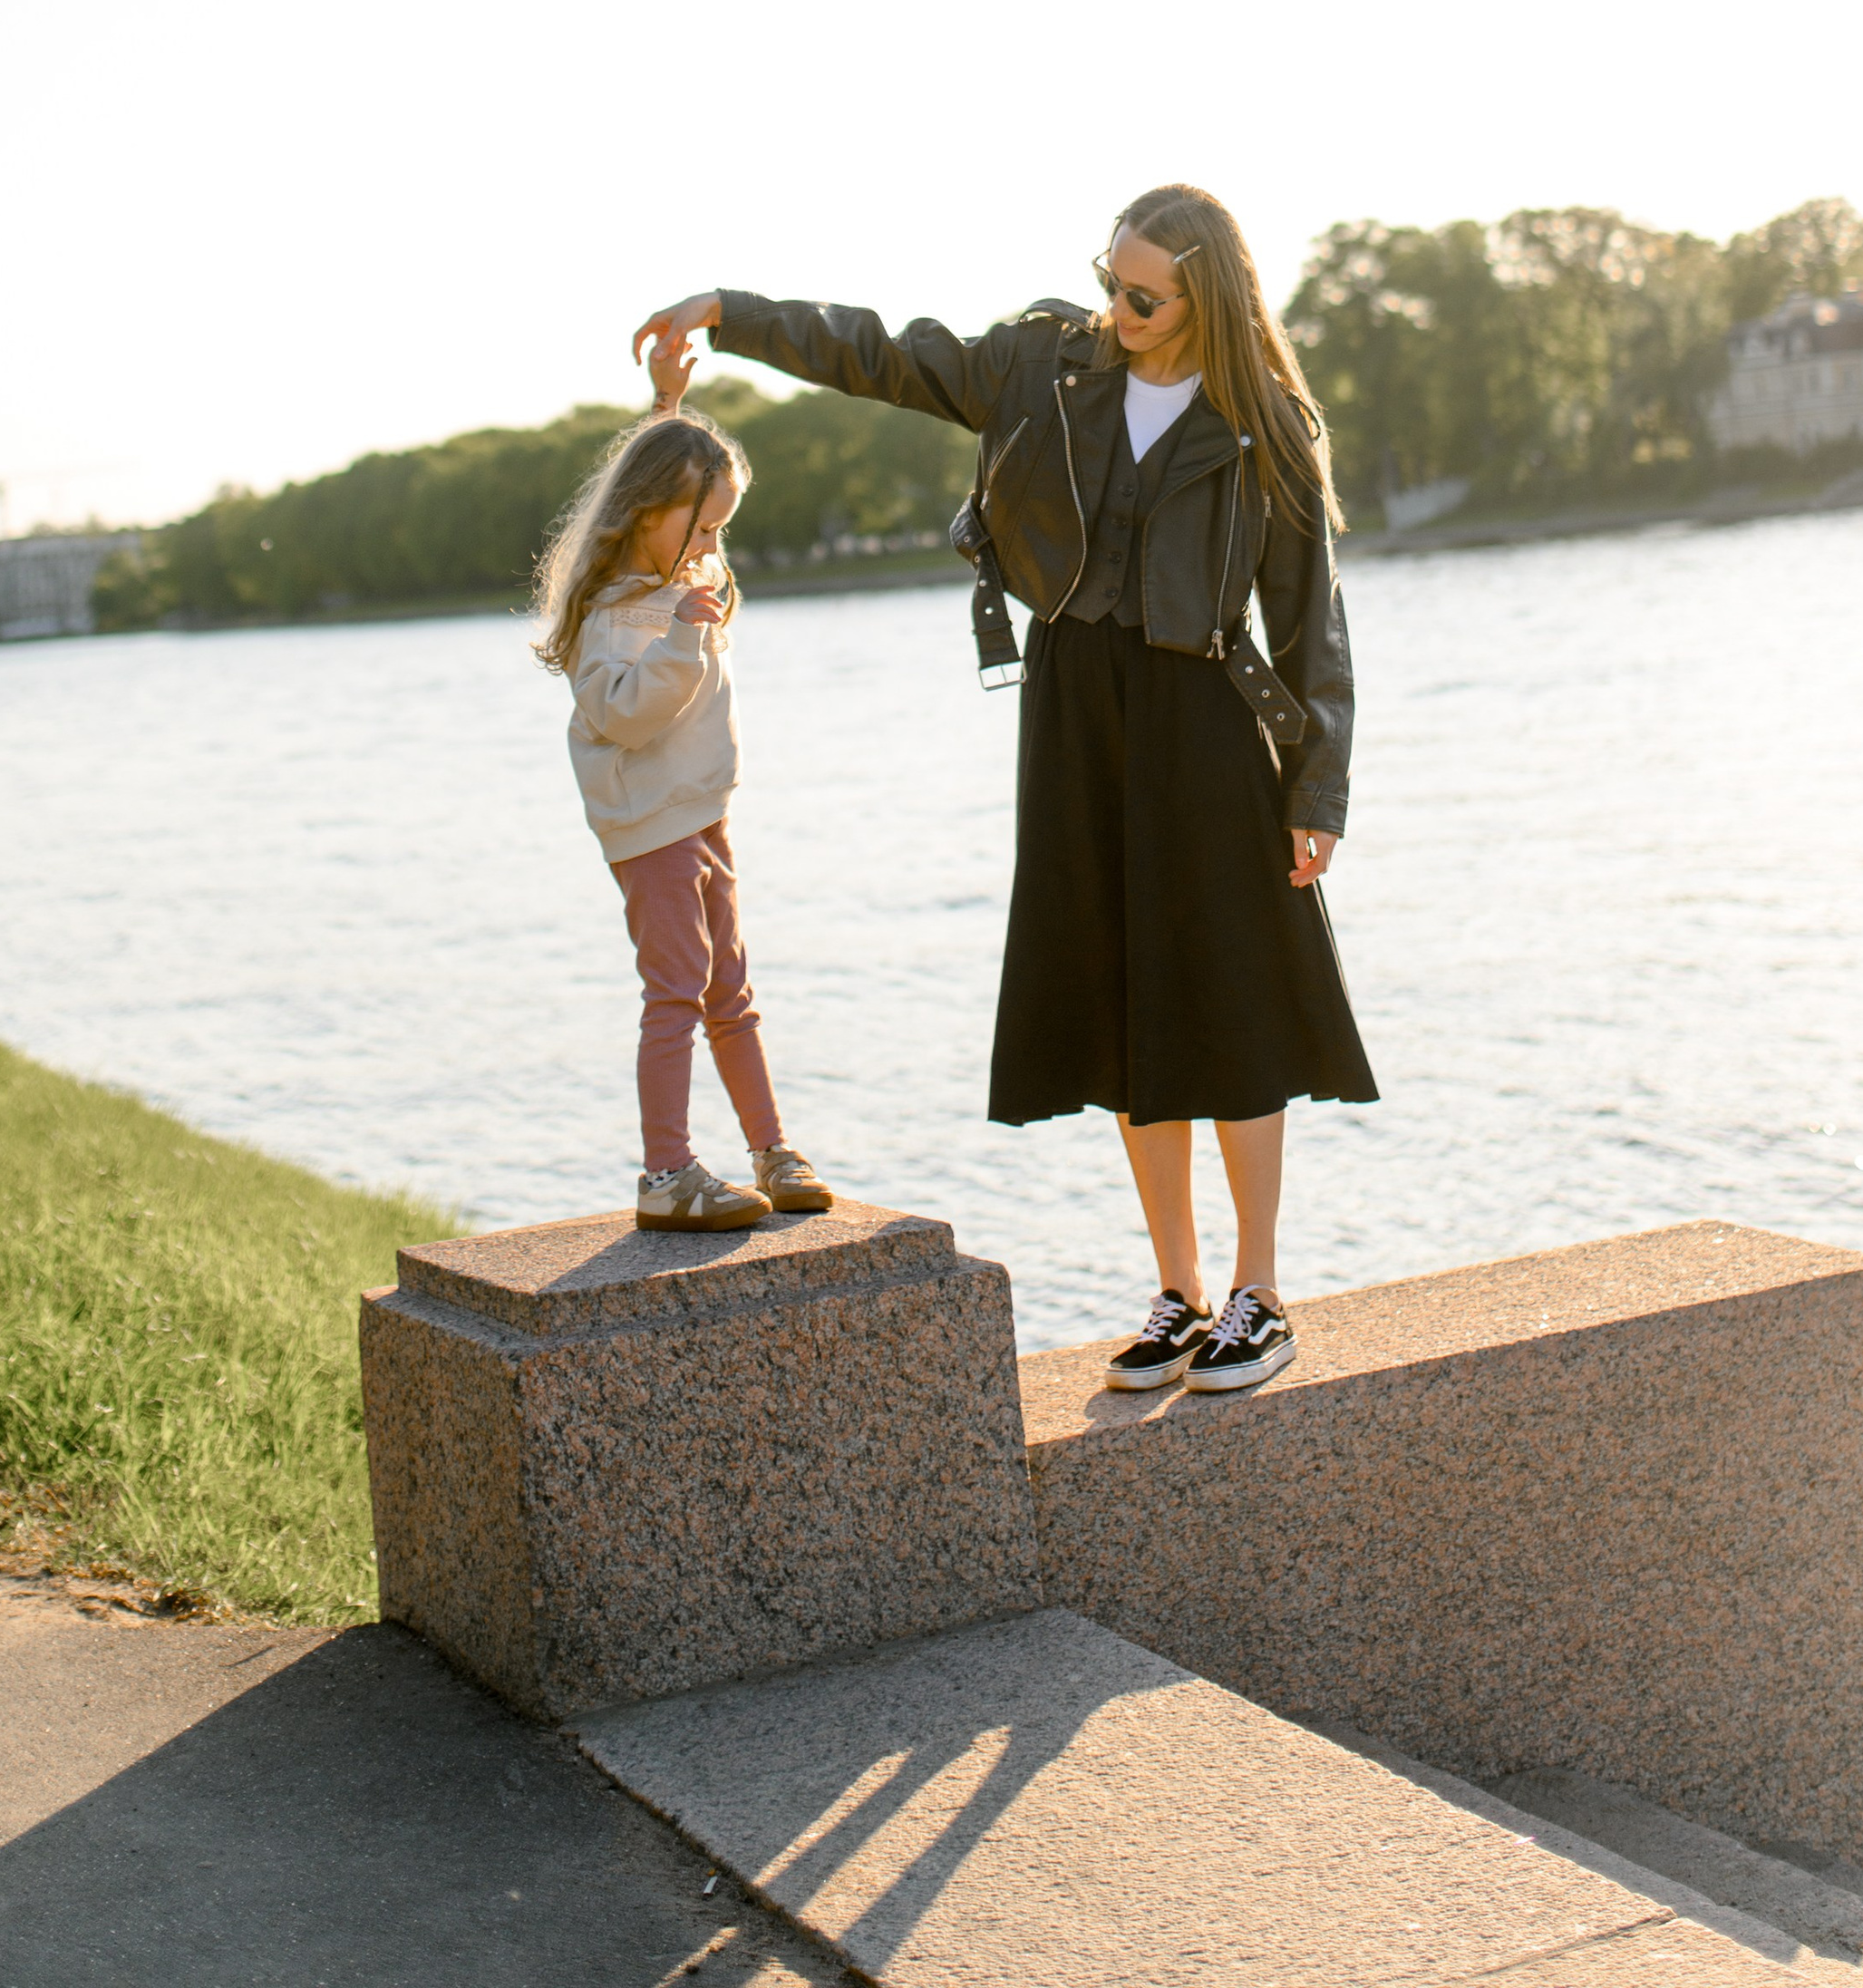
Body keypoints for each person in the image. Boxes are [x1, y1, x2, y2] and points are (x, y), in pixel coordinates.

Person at [633, 183, 1373, 1383]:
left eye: (1144, 296)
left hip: (1206, 721)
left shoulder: (1269, 425)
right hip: (1077, 710)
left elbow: (1311, 624)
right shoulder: (1042, 368)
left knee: (1226, 1002)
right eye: (1110, 281)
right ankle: (1180, 1291)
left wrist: (1316, 795)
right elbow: (882, 354)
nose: (1118, 309)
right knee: (1129, 1009)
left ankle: (1260, 1292)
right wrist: (728, 313)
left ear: (1208, 299)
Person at [533, 356, 835, 1235]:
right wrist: (681, 642)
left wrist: (668, 403)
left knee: (730, 991)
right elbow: (624, 715)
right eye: (702, 532)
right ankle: (665, 1170)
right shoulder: (617, 613)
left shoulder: (670, 575)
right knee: (677, 990)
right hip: (650, 829)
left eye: (717, 532)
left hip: (703, 816)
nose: (712, 549)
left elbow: (676, 477)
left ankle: (771, 1148)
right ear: (647, 519)